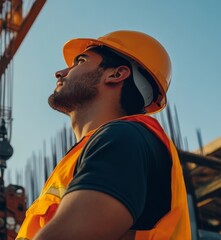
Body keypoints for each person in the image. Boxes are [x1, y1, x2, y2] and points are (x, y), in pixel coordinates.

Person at [16, 31, 191, 240]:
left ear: (116, 74)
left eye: (80, 61)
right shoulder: (92, 150)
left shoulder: (124, 138)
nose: (60, 72)